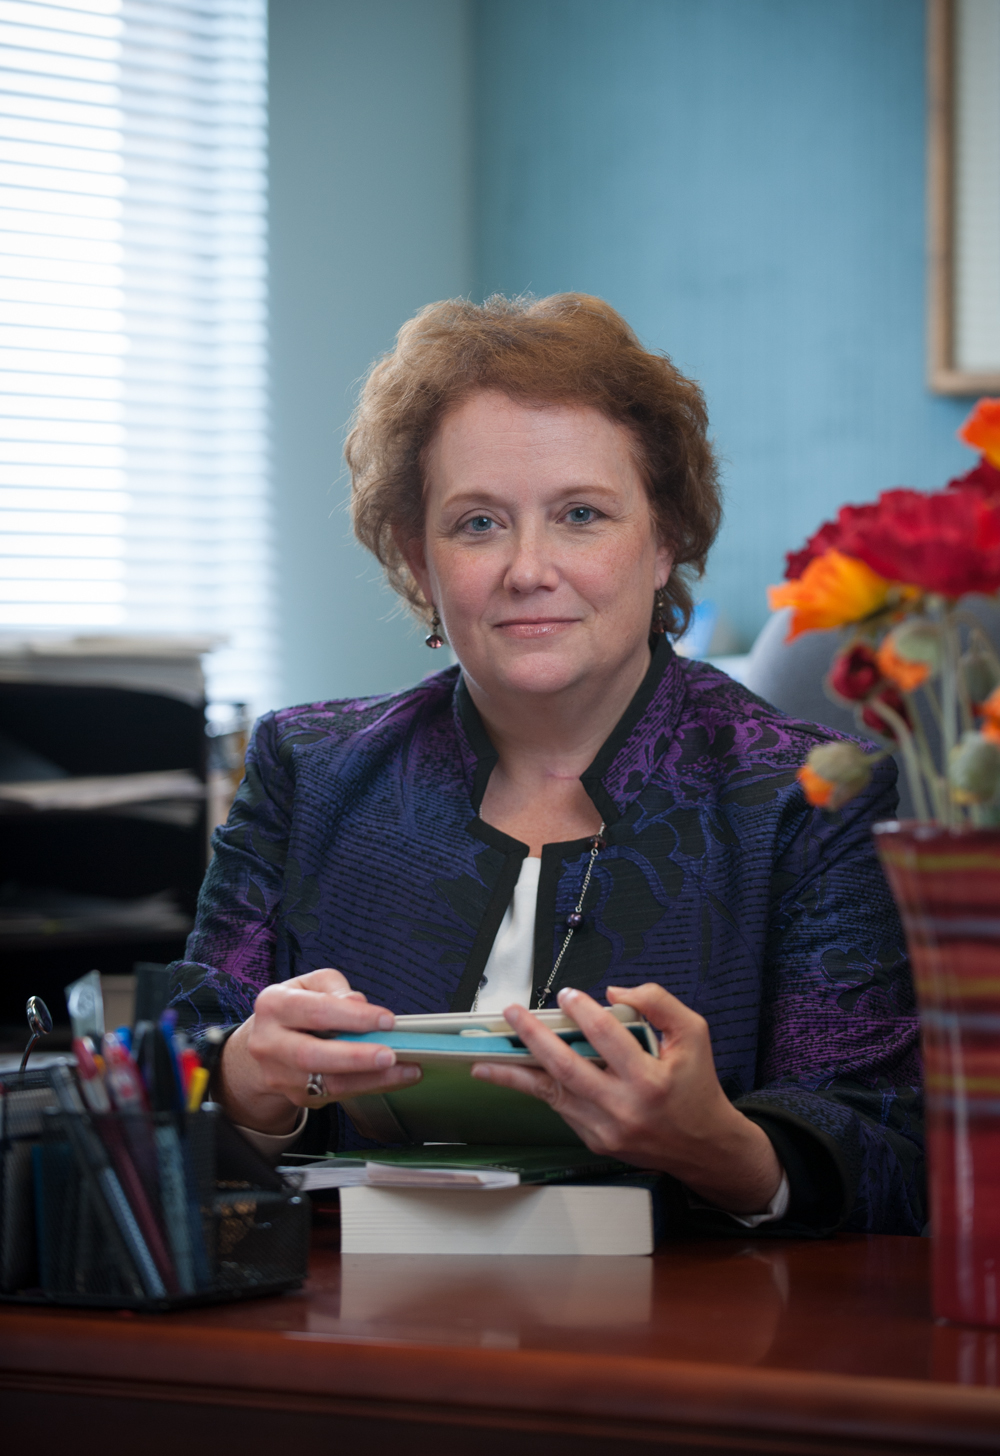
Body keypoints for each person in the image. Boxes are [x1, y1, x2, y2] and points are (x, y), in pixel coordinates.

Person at [169, 293, 924, 1235]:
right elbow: (170, 1085)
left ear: (664, 541)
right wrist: (246, 1080)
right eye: (477, 524)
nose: (528, 568)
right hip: (343, 1305)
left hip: (684, 1314)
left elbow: (887, 1158)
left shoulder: (807, 795)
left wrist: (719, 1146)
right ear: (419, 559)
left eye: (579, 515)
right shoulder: (308, 770)